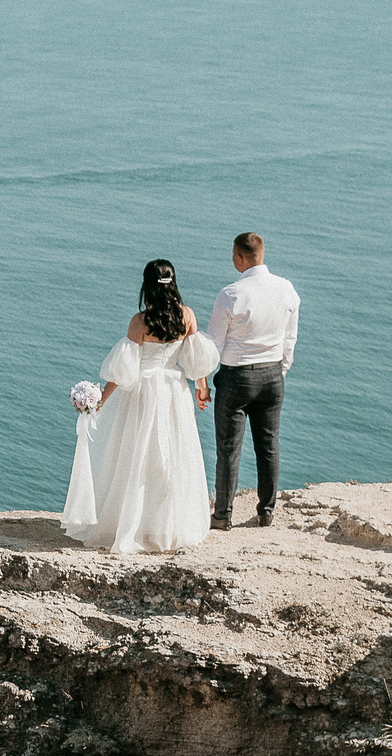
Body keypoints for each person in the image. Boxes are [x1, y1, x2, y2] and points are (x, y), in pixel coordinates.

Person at [61, 259, 220, 554]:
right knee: (172, 456)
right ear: (173, 283)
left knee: (137, 456)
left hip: (145, 393)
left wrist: (99, 401)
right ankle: (167, 527)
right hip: (174, 391)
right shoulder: (187, 316)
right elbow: (197, 361)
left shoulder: (141, 321)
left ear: (147, 286)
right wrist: (202, 390)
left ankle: (133, 524)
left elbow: (123, 371)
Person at [206, 232, 301, 529]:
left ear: (239, 258)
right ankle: (267, 511)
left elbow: (214, 346)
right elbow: (290, 337)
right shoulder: (286, 289)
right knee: (269, 445)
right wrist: (280, 370)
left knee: (228, 448)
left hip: (236, 378)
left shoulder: (232, 294)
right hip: (273, 375)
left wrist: (203, 380)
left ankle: (223, 515)